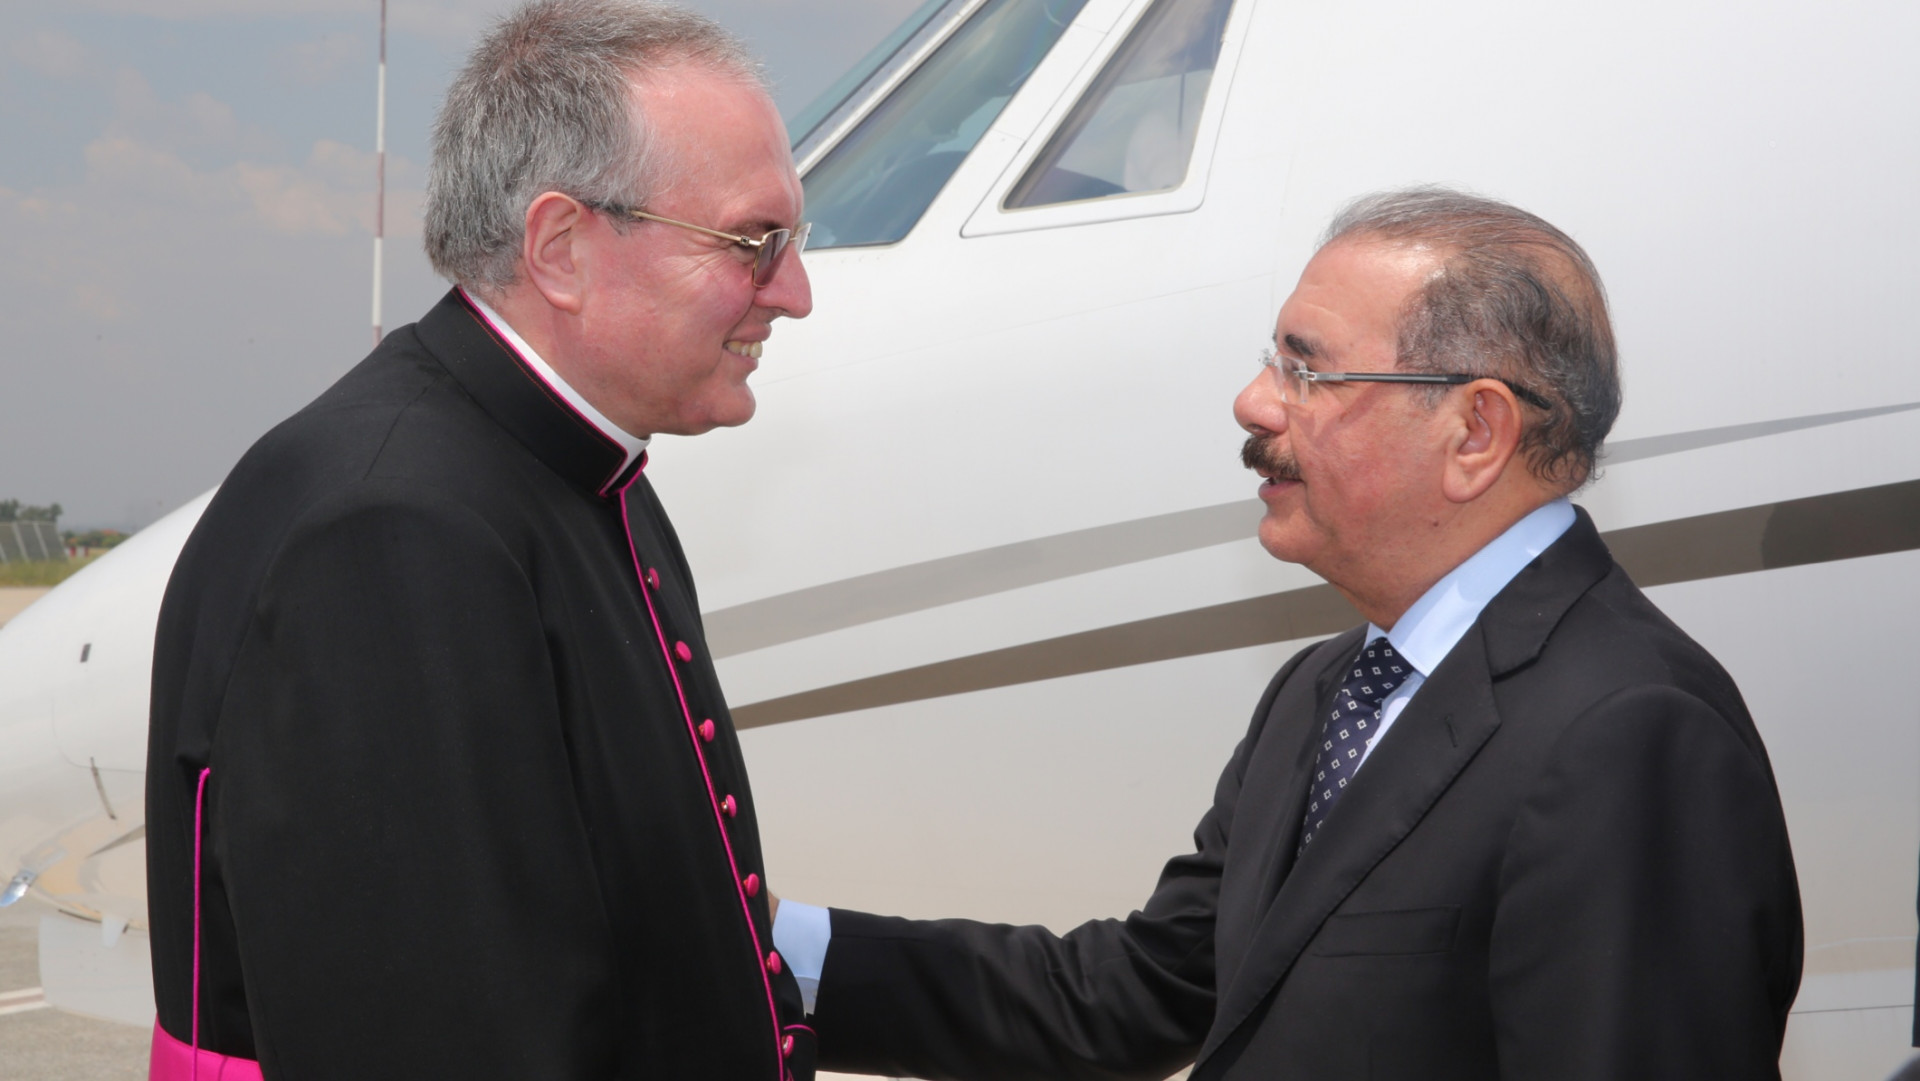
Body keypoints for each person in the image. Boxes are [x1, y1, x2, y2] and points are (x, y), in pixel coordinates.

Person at [779, 189, 1803, 1080]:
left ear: (1476, 433)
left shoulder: (1629, 732)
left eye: (1307, 371)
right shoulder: (1329, 688)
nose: (1254, 402)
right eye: (1272, 362)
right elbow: (1135, 993)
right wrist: (761, 942)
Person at [144, 2, 815, 1077]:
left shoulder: (582, 471)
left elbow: (671, 931)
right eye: (753, 242)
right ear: (561, 248)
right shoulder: (389, 531)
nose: (795, 293)